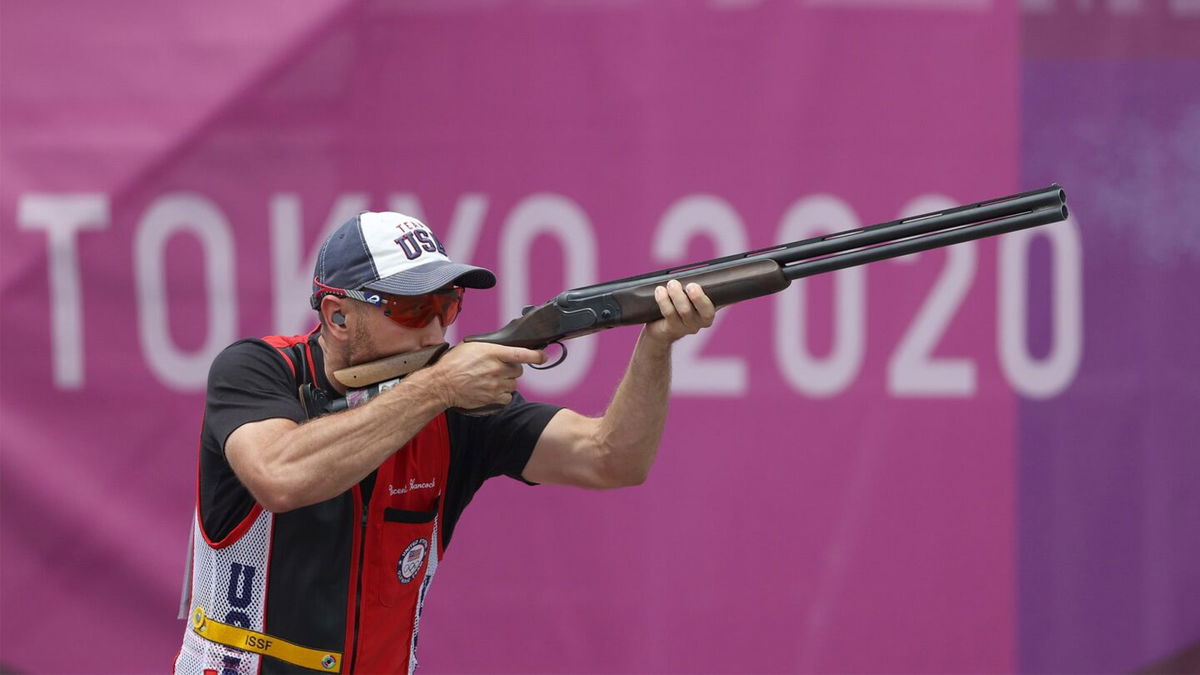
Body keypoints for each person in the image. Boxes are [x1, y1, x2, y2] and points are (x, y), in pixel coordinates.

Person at [174, 211, 716, 674]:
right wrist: (437, 387)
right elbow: (280, 476)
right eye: (412, 309)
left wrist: (657, 345)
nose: (436, 331)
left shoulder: (457, 404)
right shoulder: (258, 368)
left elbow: (611, 459)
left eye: (447, 305)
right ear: (339, 316)